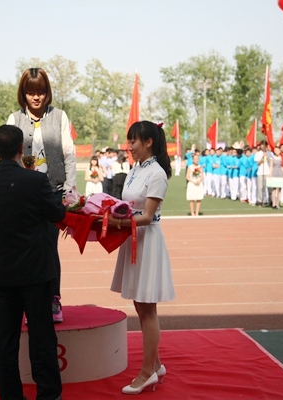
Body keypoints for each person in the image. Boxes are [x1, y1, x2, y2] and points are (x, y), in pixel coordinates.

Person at [0, 125, 64, 400]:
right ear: (22, 149)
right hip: (36, 272)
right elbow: (57, 213)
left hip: (0, 273)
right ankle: (48, 395)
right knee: (42, 337)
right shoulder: (35, 181)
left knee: (4, 341)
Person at [108, 121, 175, 395]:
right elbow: (128, 206)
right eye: (129, 141)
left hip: (147, 241)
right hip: (133, 238)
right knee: (140, 305)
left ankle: (147, 372)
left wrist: (114, 223)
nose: (130, 146)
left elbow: (147, 216)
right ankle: (156, 365)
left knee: (147, 308)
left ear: (149, 142)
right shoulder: (135, 169)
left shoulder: (157, 173)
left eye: (134, 141)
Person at [6, 68, 76, 323]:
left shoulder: (59, 116)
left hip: (52, 193)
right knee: (25, 248)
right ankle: (29, 302)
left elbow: (68, 154)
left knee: (48, 246)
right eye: (30, 92)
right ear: (23, 94)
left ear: (47, 93)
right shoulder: (14, 119)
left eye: (41, 92)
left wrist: (69, 190)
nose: (36, 97)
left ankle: (53, 299)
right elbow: (8, 157)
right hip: (23, 195)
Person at [254, 141, 270, 206]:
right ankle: (260, 201)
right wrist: (262, 158)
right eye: (262, 145)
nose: (263, 146)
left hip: (268, 172)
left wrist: (267, 157)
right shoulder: (258, 154)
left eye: (264, 145)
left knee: (269, 187)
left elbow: (270, 162)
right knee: (260, 188)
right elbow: (258, 163)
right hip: (260, 172)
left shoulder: (269, 153)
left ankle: (270, 200)